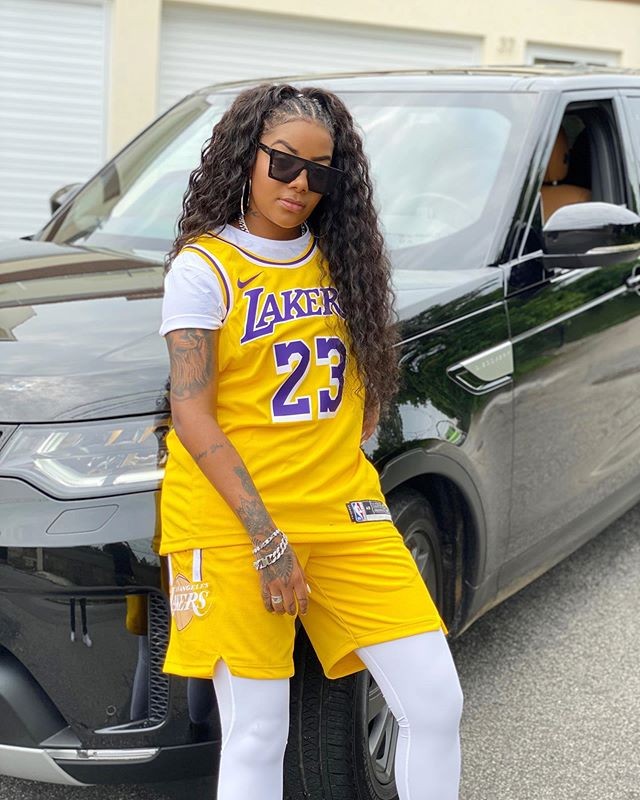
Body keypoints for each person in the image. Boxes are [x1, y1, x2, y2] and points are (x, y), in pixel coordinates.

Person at [158, 83, 463, 800]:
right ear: (246, 156)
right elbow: (192, 416)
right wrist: (268, 540)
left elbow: (361, 393)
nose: (300, 185)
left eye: (320, 172)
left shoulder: (344, 264)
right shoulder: (204, 269)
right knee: (259, 730)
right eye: (284, 162)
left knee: (434, 703)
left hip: (343, 510)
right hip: (236, 523)